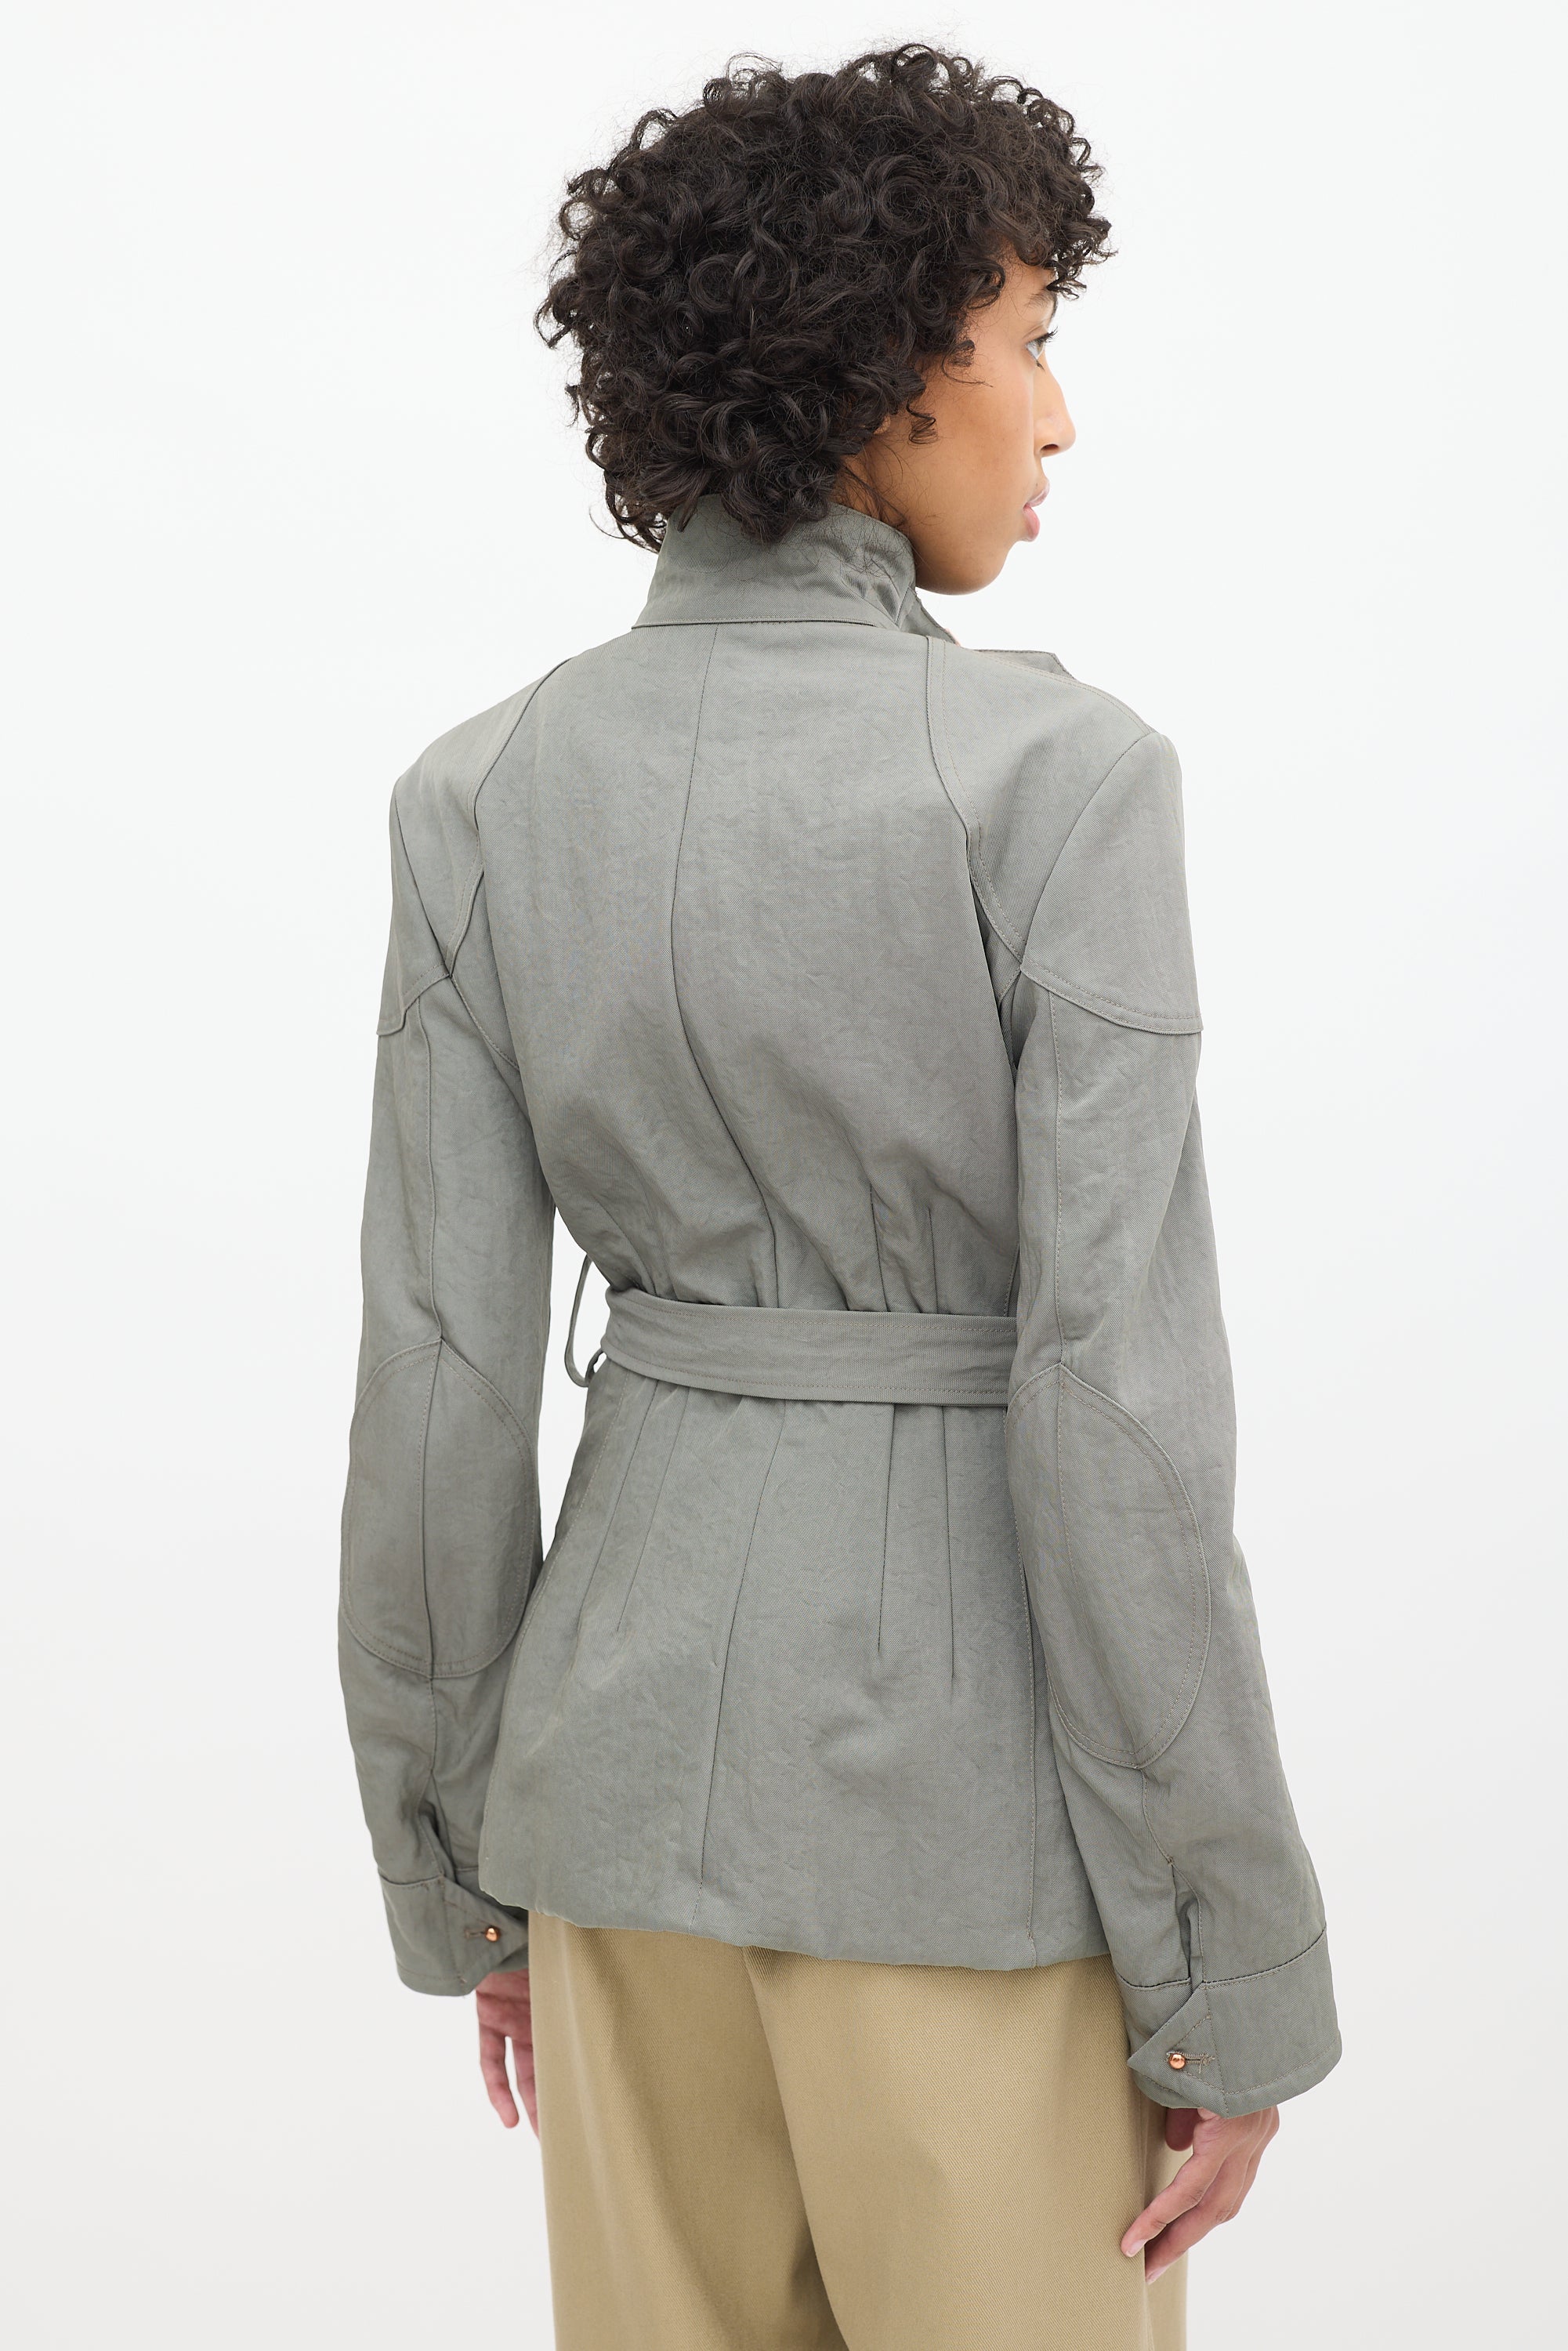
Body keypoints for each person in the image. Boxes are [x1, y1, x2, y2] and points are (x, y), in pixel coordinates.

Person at [339, 44, 1339, 2349]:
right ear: (883, 374)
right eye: (1022, 343)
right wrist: (1227, 1972)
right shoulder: (1061, 782)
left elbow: (436, 1379)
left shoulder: (480, 792)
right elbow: (1116, 1417)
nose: (1056, 419)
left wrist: (465, 1873)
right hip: (966, 1847)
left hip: (608, 1827)